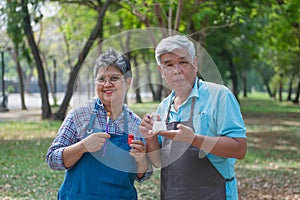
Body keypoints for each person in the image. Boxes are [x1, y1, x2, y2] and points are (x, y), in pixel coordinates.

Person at [139, 35, 247, 200]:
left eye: (183, 62)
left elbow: (239, 149)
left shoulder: (219, 95)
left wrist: (194, 139)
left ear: (195, 63)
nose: (177, 71)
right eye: (169, 64)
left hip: (215, 194)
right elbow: (159, 162)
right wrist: (150, 139)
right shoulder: (164, 107)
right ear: (161, 71)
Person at [46, 47, 152, 199]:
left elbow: (143, 175)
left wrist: (141, 159)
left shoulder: (136, 124)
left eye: (114, 78)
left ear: (128, 82)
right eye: (101, 79)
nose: (107, 84)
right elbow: (52, 159)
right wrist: (82, 146)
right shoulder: (79, 115)